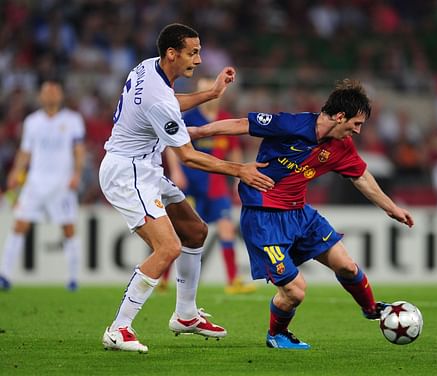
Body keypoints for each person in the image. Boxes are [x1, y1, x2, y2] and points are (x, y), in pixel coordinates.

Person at [188, 79, 414, 349]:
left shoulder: (342, 147)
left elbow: (362, 177)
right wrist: (197, 132)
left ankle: (371, 310)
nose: (358, 129)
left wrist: (392, 208)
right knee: (295, 291)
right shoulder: (291, 124)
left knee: (347, 265)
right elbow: (241, 125)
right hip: (264, 217)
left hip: (300, 214)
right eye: (356, 123)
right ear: (340, 116)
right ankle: (277, 335)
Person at [99, 23, 274, 353]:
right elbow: (189, 157)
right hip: (128, 173)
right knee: (167, 248)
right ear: (172, 53)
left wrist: (211, 94)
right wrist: (240, 170)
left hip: (143, 168)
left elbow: (169, 100)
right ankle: (119, 328)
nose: (198, 59)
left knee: (195, 231)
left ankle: (186, 315)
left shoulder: (146, 68)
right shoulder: (158, 99)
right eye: (193, 52)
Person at [161, 77, 256, 295]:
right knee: (179, 231)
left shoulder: (225, 120)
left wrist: (237, 179)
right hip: (191, 182)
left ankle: (233, 280)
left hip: (216, 184)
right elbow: (172, 144)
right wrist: (175, 171)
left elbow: (234, 151)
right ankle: (163, 278)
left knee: (226, 228)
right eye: (203, 90)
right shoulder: (189, 118)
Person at [0, 80, 85, 292]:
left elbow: (79, 150)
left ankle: (73, 278)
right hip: (35, 182)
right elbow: (25, 152)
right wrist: (15, 172)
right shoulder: (32, 122)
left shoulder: (73, 120)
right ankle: (5, 274)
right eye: (47, 91)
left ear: (61, 95)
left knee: (68, 228)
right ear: (40, 96)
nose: (51, 95)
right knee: (19, 225)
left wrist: (76, 174)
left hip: (62, 184)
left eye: (55, 91)